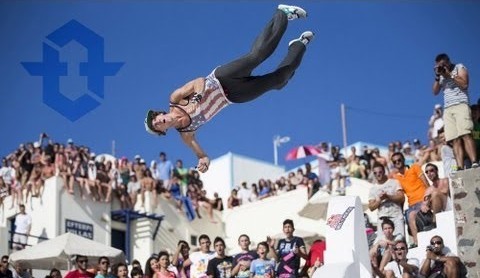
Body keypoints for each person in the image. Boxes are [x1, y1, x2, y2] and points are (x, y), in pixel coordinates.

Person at [144, 4, 314, 173]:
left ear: (160, 114)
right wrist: (203, 161)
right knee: (279, 81)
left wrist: (196, 98)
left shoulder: (175, 99)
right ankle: (298, 46)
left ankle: (282, 14)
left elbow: (199, 81)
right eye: (157, 126)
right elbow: (202, 155)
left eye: (156, 119)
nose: (158, 122)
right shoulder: (186, 134)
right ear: (163, 131)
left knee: (258, 55)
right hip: (232, 96)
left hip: (221, 78)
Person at [432, 53, 478, 170]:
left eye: (443, 64)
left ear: (448, 61)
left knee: (465, 133)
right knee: (454, 138)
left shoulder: (459, 67)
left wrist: (449, 75)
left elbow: (465, 84)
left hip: (461, 104)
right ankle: (459, 166)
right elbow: (435, 91)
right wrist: (438, 76)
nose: (442, 67)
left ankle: (474, 162)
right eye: (439, 65)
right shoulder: (441, 74)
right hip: (448, 108)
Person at [391, 152, 429, 246]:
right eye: (395, 162)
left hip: (423, 200)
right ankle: (413, 242)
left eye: (399, 160)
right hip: (411, 205)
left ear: (403, 160)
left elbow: (426, 183)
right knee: (407, 216)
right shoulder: (397, 177)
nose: (397, 162)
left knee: (411, 215)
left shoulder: (414, 167)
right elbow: (400, 195)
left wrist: (427, 200)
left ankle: (417, 243)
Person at [368, 162, 405, 237]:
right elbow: (371, 207)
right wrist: (379, 200)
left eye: (380, 172)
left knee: (400, 241)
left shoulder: (394, 182)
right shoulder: (373, 189)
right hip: (382, 219)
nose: (378, 174)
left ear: (384, 171)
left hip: (396, 217)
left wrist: (388, 196)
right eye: (375, 173)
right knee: (384, 245)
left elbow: (401, 197)